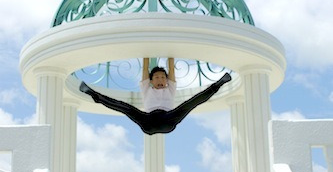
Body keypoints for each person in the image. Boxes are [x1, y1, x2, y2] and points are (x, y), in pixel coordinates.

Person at [79, 58, 231, 135]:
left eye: (163, 78)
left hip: (168, 119)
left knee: (191, 103)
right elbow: (145, 67)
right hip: (148, 121)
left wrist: (170, 52)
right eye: (157, 78)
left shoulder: (170, 87)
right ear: (151, 81)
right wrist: (148, 49)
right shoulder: (146, 87)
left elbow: (171, 66)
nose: (160, 80)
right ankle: (92, 93)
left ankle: (220, 83)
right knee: (126, 108)